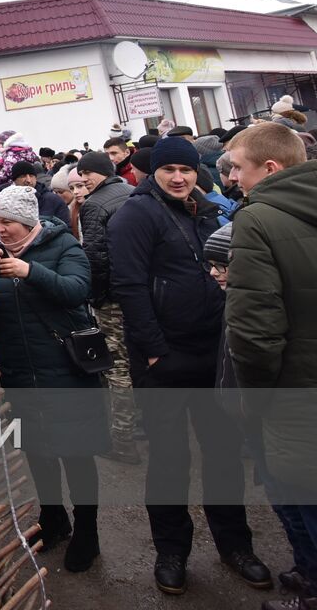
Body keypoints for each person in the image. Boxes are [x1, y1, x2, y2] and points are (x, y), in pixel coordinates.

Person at [107, 135, 271, 595]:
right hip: (163, 360)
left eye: (187, 169)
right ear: (152, 173)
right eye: (169, 171)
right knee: (169, 459)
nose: (179, 178)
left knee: (222, 454)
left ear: (198, 171)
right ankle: (171, 552)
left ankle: (235, 545)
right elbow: (129, 286)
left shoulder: (210, 210)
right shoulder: (135, 215)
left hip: (212, 351)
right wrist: (156, 350)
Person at [0, 186, 108, 573]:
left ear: (28, 222)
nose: (0, 230)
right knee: (37, 453)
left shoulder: (63, 246)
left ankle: (87, 529)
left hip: (65, 371)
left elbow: (76, 291)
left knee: (76, 454)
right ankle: (53, 517)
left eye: (8, 223)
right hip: (19, 372)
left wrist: (30, 271)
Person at [223, 122, 317, 610]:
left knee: (303, 493)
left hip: (292, 392)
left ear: (271, 168)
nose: (232, 177)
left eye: (238, 167)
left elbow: (256, 333)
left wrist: (253, 398)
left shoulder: (258, 219)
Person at [74, 150, 139, 464]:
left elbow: (96, 257)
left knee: (116, 366)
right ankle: (144, 426)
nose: (83, 180)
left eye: (86, 174)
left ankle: (123, 440)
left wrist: (95, 296)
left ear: (100, 172)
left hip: (112, 296)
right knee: (138, 357)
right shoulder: (130, 191)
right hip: (138, 291)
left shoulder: (96, 204)